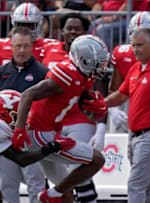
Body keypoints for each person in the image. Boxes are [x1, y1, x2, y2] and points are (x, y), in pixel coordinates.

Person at [11, 34, 108, 203]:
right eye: (97, 62)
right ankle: (49, 195)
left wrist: (97, 106)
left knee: (66, 192)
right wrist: (19, 129)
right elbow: (28, 94)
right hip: (39, 134)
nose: (101, 67)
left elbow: (79, 98)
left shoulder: (82, 75)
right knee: (97, 160)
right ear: (83, 60)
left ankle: (53, 195)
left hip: (50, 132)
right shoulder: (67, 73)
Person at [41, 13, 105, 203]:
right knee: (54, 174)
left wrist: (101, 125)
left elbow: (99, 90)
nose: (73, 32)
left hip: (79, 118)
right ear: (62, 31)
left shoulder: (93, 50)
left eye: (77, 29)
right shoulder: (49, 49)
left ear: (85, 32)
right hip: (51, 122)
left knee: (78, 168)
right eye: (69, 28)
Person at [0, 26, 48, 203]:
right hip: (5, 136)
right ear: (11, 46)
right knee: (7, 183)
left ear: (32, 47)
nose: (22, 50)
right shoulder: (1, 73)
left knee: (35, 182)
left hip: (31, 134)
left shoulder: (43, 73)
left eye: (26, 46)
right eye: (18, 46)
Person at [104, 27, 150, 203]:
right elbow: (121, 95)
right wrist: (103, 103)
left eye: (140, 45)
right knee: (147, 187)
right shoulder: (135, 69)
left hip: (148, 135)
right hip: (135, 135)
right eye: (133, 45)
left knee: (135, 185)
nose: (135, 50)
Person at [108, 12, 150, 133]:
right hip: (128, 101)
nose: (139, 37)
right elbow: (115, 88)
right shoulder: (122, 54)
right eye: (136, 34)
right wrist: (114, 109)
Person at [0, 2, 56, 73]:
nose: (26, 29)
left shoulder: (50, 46)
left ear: (38, 24)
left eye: (30, 25)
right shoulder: (0, 45)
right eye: (22, 25)